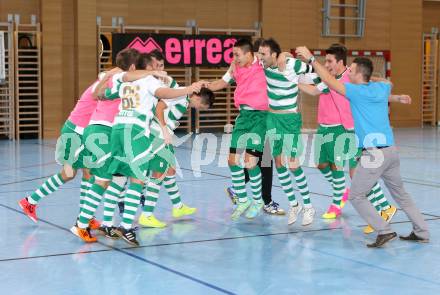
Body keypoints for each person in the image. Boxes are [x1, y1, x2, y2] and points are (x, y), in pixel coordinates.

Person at [296, 45, 430, 247]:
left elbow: (331, 81)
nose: (350, 71)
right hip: (391, 152)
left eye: (352, 69)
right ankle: (422, 232)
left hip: (373, 155)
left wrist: (311, 59)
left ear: (357, 74)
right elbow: (388, 83)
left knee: (357, 195)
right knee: (401, 194)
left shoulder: (355, 92)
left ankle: (384, 230)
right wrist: (396, 96)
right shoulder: (380, 88)